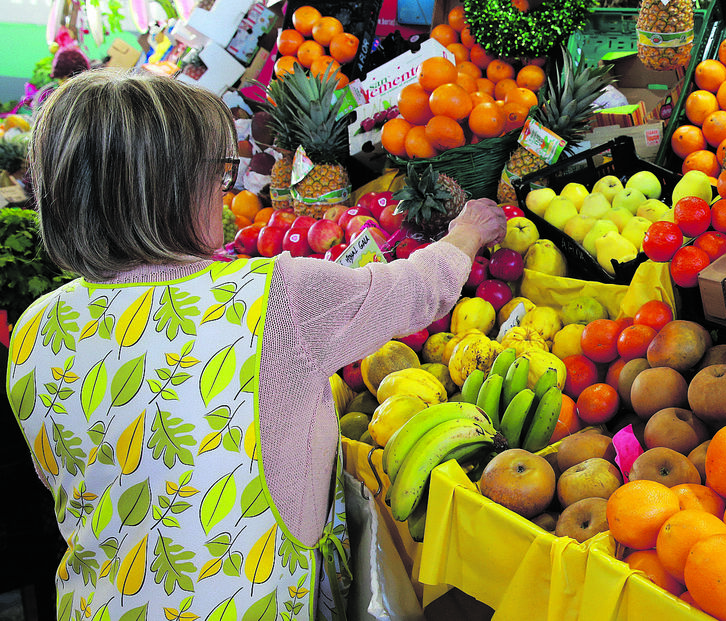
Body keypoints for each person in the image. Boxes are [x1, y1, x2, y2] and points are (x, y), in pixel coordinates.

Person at [6, 68, 505, 621]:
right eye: (217, 175)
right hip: (255, 600)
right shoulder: (274, 300)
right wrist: (466, 234)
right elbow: (410, 292)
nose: (225, 194)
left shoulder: (35, 329)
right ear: (169, 188)